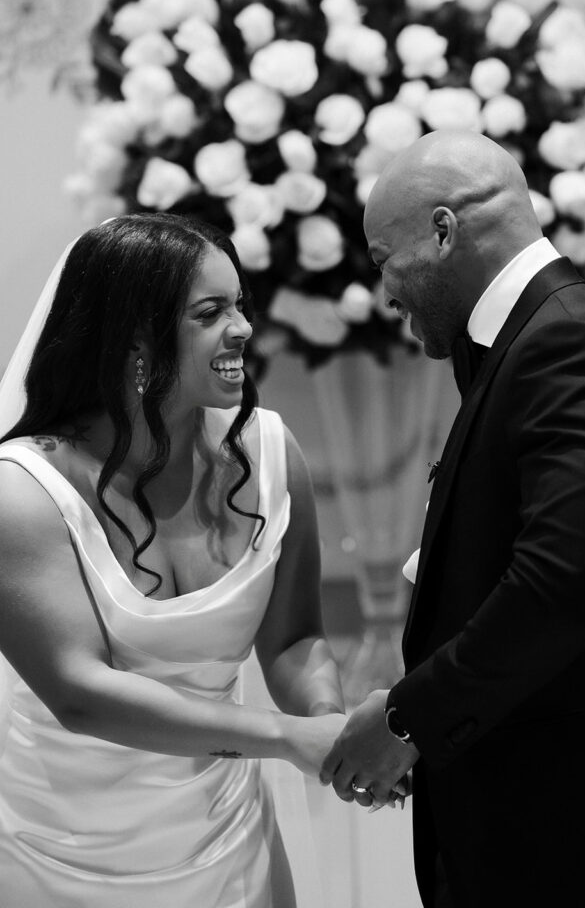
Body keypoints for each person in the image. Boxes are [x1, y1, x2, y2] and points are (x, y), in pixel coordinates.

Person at [320, 130, 585, 907]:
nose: (384, 289)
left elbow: (560, 587)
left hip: (579, 832)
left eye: (386, 258)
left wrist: (406, 721)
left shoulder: (569, 342)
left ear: (444, 231)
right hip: (543, 816)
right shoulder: (531, 337)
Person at [0, 212, 347, 908]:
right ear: (135, 343)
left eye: (240, 305)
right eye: (211, 311)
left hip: (226, 842)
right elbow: (78, 691)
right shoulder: (21, 492)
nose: (244, 328)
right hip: (59, 853)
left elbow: (293, 640)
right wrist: (285, 737)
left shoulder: (275, 456)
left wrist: (328, 723)